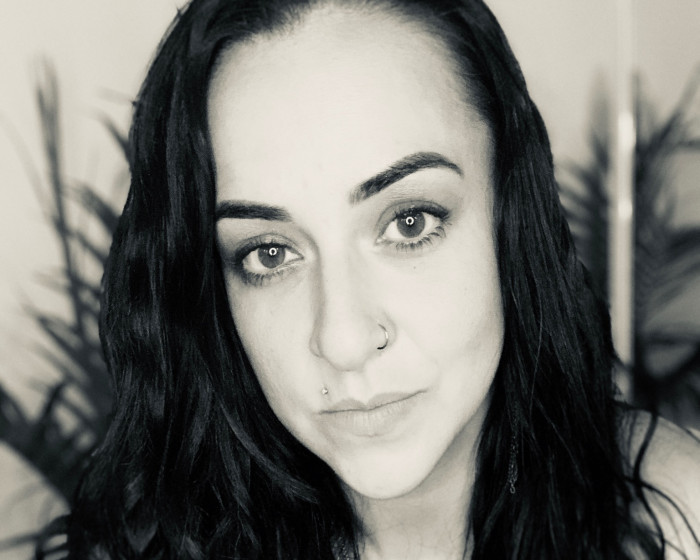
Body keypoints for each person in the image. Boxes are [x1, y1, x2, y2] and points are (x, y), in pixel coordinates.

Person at [48, 0, 700, 558]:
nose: (345, 340)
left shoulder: (668, 519)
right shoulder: (151, 542)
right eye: (269, 254)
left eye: (410, 223)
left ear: (511, 214)